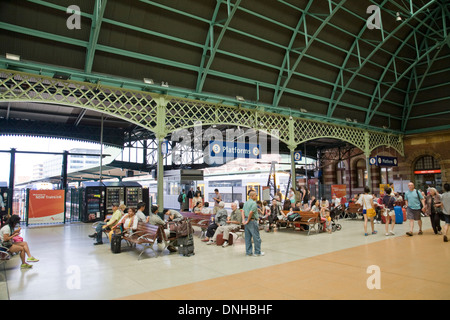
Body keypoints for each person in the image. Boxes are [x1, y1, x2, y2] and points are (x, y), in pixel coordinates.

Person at [243, 191, 264, 256]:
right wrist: (248, 220)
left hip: (246, 221)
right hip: (252, 221)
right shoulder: (254, 204)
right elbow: (251, 212)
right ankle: (257, 252)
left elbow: (243, 211)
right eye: (255, 195)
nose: (257, 196)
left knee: (247, 237)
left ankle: (248, 252)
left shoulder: (246, 203)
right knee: (256, 237)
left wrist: (244, 220)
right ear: (252, 196)